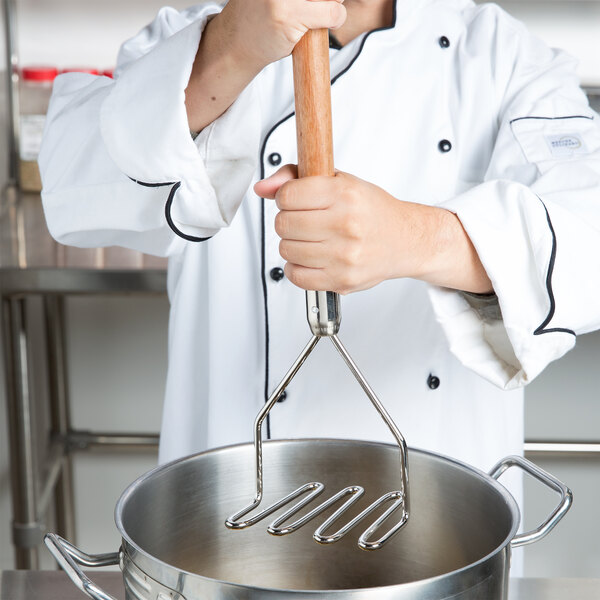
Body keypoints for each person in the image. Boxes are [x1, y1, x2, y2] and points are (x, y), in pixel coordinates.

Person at [39, 0, 600, 486]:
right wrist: (227, 52)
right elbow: (71, 185)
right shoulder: (191, 39)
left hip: (444, 505)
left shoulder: (501, 57)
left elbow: (589, 232)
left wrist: (420, 238)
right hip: (231, 504)